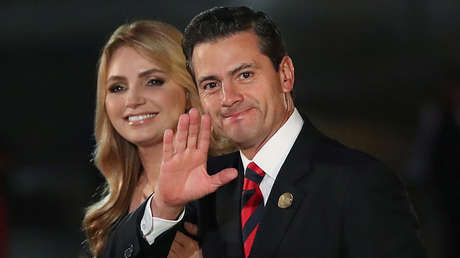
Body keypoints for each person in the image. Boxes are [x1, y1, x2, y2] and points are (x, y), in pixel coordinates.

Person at [103, 7, 426, 258]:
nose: (228, 98)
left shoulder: (358, 183)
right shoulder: (202, 186)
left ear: (285, 74)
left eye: (244, 75)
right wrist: (164, 206)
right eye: (211, 84)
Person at [82, 20, 232, 258]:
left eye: (153, 81)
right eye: (117, 87)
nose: (132, 100)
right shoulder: (112, 208)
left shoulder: (232, 183)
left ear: (187, 88)